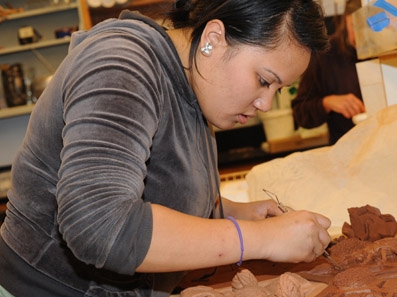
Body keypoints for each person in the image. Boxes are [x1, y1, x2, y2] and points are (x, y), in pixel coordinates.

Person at [0, 0, 332, 296]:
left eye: (279, 88)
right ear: (213, 39)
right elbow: (99, 224)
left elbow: (152, 183)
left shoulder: (197, 85)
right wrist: (260, 239)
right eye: (264, 80)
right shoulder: (121, 63)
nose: (265, 103)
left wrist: (229, 211)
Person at [291, 0, 365, 145]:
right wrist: (327, 103)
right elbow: (300, 113)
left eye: (369, 27)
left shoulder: (389, 48)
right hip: (345, 153)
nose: (361, 36)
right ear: (346, 20)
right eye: (355, 26)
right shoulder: (326, 55)